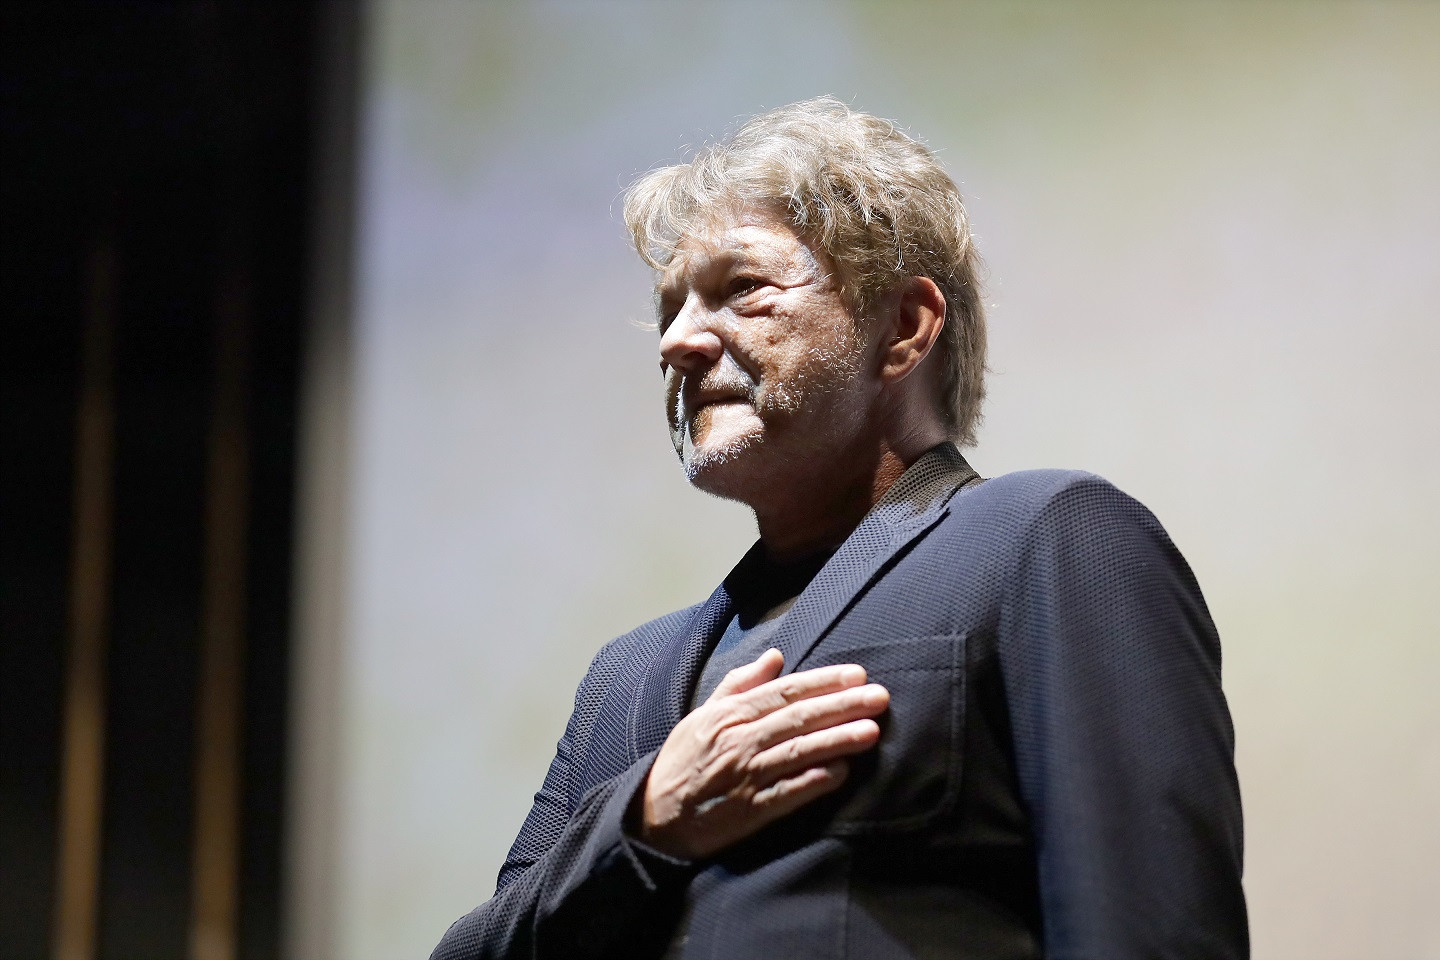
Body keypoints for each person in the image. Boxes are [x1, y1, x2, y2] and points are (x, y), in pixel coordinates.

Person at [431, 97, 1247, 960]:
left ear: (904, 329)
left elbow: (1155, 932)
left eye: (741, 289)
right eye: (671, 309)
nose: (677, 343)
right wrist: (646, 821)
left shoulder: (1049, 539)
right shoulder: (624, 679)